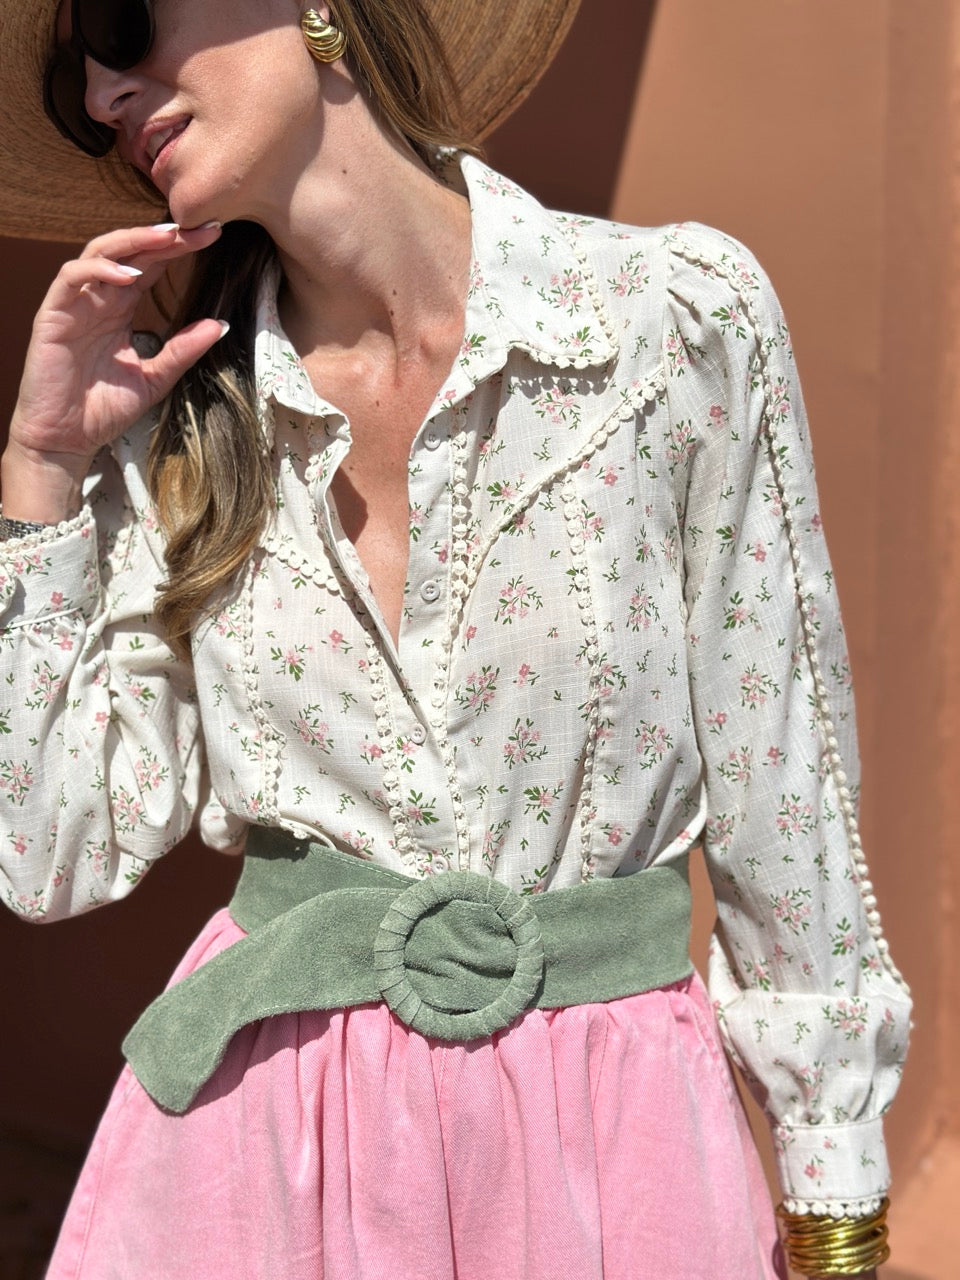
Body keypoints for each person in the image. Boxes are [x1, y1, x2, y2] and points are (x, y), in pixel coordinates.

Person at [0, 1, 911, 1276]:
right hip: (269, 1161)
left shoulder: (671, 326)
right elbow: (50, 855)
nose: (105, 92)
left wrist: (835, 1213)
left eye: (120, 17)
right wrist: (42, 467)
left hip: (618, 1147)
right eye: (74, 84)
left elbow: (785, 789)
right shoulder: (178, 424)